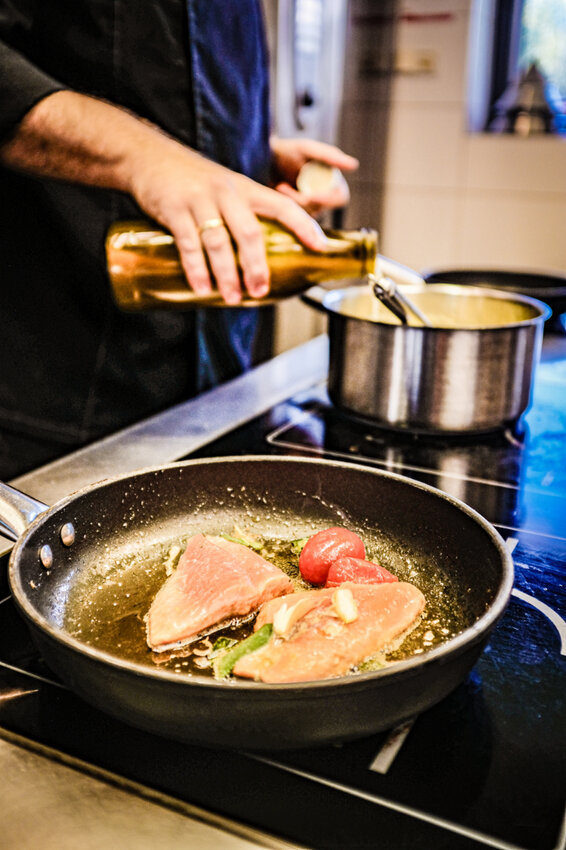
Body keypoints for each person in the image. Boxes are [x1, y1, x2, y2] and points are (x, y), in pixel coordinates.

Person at [0, 1, 358, 479]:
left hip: (221, 385)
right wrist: (143, 156)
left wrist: (256, 156)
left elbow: (182, 99)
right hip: (59, 384)